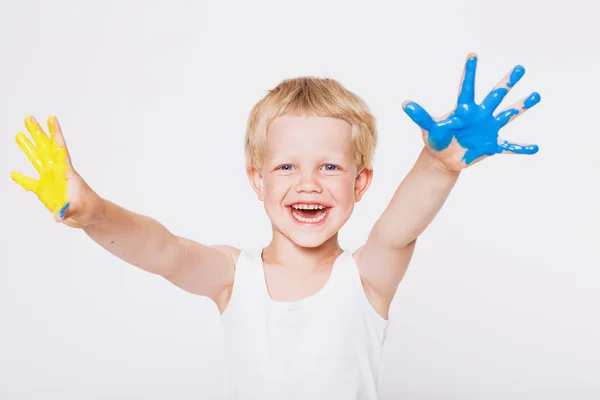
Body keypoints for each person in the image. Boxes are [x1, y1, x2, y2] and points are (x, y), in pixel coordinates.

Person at [10, 52, 541, 399]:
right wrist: (94, 212)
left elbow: (398, 229)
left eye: (330, 167)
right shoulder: (230, 276)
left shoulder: (367, 278)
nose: (308, 184)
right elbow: (163, 250)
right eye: (287, 167)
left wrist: (436, 165)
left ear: (360, 184)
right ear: (257, 180)